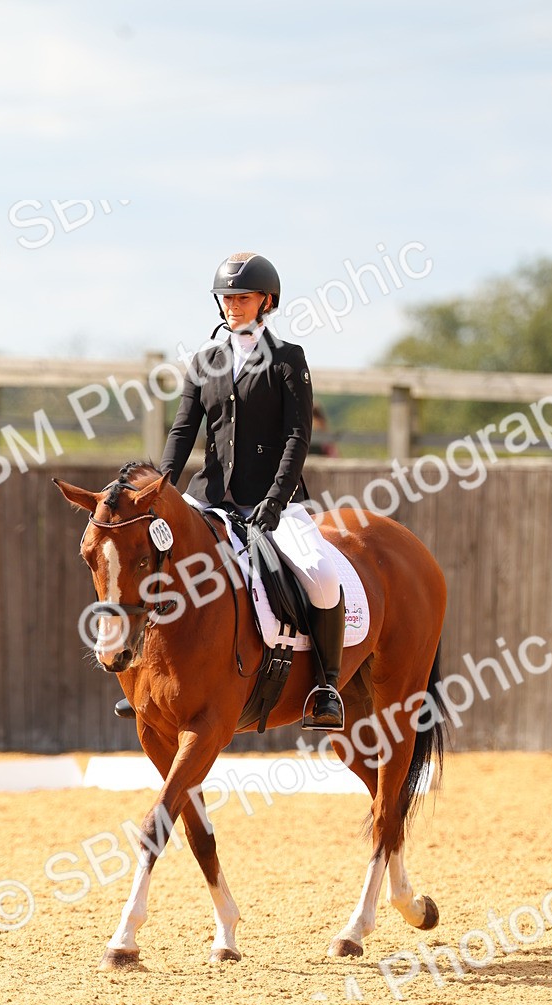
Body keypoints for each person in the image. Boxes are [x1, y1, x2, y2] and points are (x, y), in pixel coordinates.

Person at [117, 251, 345, 730]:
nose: (232, 306)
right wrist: (163, 491)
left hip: (276, 504)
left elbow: (297, 437)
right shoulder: (205, 360)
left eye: (242, 298)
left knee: (321, 577)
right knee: (160, 567)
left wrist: (276, 500)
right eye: (226, 298)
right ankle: (145, 677)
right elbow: (183, 431)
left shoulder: (287, 359)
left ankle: (325, 686)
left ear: (266, 301)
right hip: (209, 499)